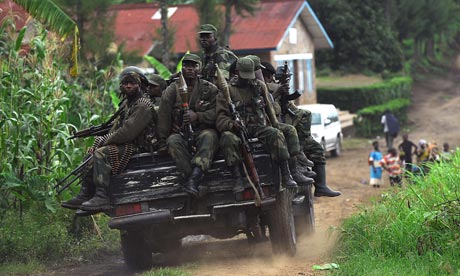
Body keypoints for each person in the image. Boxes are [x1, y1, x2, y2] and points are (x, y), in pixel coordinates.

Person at [62, 67, 156, 212]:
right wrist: (100, 139)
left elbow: (128, 132)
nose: (128, 86)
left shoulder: (143, 105)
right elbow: (116, 126)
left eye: (132, 83)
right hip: (126, 143)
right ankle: (85, 193)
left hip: (137, 145)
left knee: (101, 153)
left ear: (140, 85)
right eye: (125, 83)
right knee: (91, 152)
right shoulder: (127, 104)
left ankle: (101, 197)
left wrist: (106, 140)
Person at [261, 61, 341, 197]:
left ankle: (320, 186)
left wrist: (285, 99)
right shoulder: (266, 89)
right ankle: (299, 157)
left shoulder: (276, 90)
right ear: (268, 76)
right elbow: (269, 110)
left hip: (292, 132)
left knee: (316, 148)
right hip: (279, 129)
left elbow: (294, 111)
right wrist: (277, 93)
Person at [216, 57, 297, 191]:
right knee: (227, 138)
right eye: (244, 76)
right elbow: (220, 119)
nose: (248, 79)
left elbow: (270, 110)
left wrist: (276, 125)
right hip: (238, 130)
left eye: (250, 75)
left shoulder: (259, 86)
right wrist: (232, 124)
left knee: (276, 134)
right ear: (237, 72)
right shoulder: (227, 92)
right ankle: (237, 178)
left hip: (259, 127)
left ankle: (286, 174)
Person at [157, 53, 219, 197]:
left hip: (202, 130)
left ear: (199, 69)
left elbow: (218, 112)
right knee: (172, 141)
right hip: (181, 132)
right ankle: (192, 180)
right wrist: (161, 140)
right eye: (186, 66)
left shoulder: (209, 89)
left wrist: (198, 116)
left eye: (194, 66)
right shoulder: (173, 89)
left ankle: (195, 177)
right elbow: (163, 115)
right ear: (182, 68)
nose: (190, 69)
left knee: (209, 137)